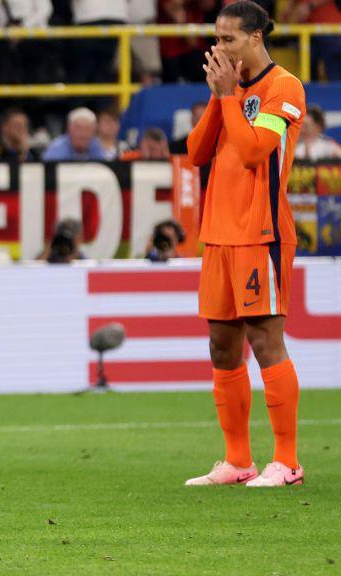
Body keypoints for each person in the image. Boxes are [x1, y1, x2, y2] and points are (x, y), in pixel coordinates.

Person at [184, 1, 307, 488]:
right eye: (216, 38)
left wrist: (230, 97)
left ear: (257, 37)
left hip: (261, 233)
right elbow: (196, 153)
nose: (220, 47)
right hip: (217, 234)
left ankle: (288, 462)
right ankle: (238, 461)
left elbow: (256, 151)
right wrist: (219, 98)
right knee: (222, 347)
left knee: (264, 341)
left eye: (229, 39)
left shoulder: (284, 87)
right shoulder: (227, 91)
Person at [42, 107, 108, 161]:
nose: (83, 133)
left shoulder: (96, 145)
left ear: (93, 131)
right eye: (78, 128)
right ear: (69, 129)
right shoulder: (56, 149)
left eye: (87, 129)